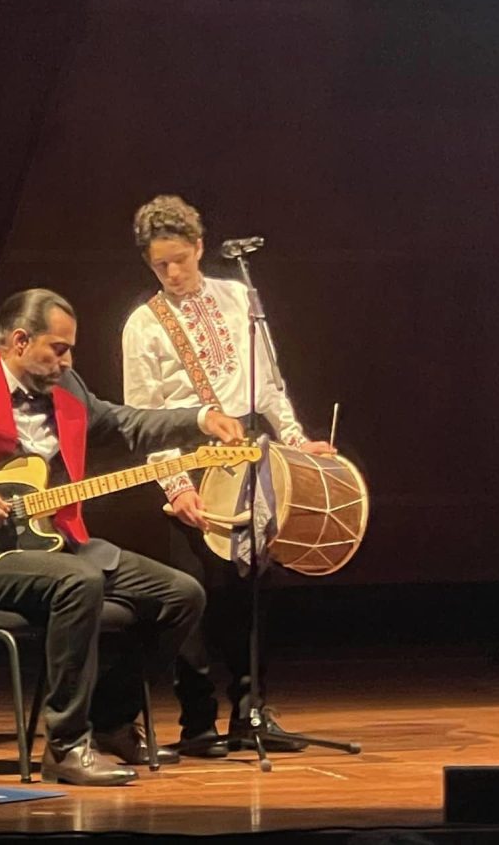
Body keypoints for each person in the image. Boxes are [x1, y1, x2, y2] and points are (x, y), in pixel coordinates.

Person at [0, 287, 244, 787]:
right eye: (58, 349)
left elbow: (125, 423)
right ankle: (65, 746)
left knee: (181, 595)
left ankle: (111, 721)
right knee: (78, 580)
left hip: (53, 542)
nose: (68, 361)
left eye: (70, 351)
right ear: (20, 341)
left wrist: (199, 419)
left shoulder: (69, 389)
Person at [121, 195, 335, 758]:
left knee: (253, 588)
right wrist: (176, 487)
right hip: (190, 456)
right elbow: (144, 418)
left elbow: (270, 385)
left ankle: (252, 710)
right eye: (159, 265)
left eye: (179, 260)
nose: (171, 273)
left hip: (248, 450)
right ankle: (197, 722)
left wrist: (296, 440)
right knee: (192, 592)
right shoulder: (143, 324)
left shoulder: (240, 297)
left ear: (199, 247)